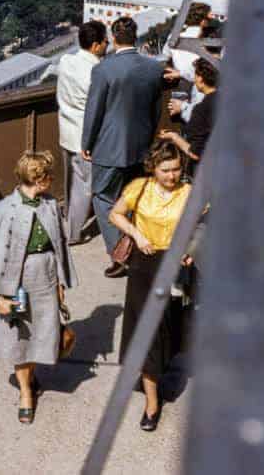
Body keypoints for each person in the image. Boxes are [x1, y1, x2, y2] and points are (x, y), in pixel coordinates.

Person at [0, 151, 77, 424]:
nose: (51, 181)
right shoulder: (2, 211)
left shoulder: (51, 205)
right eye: (48, 177)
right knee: (19, 340)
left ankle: (31, 376)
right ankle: (26, 392)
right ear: (39, 180)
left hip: (46, 274)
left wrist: (60, 284)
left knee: (44, 334)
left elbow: (59, 245)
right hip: (17, 281)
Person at [109, 140, 193, 432]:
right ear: (153, 169)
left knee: (170, 326)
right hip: (144, 266)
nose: (172, 176)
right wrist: (136, 234)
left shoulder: (189, 192)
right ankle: (152, 403)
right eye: (165, 170)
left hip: (176, 266)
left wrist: (192, 248)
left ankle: (159, 369)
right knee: (148, 333)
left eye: (176, 169)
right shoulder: (139, 188)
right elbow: (115, 214)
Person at [82, 16, 165, 277]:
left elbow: (94, 110)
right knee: (134, 199)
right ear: (135, 37)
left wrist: (87, 142)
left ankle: (120, 254)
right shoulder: (153, 68)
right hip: (141, 144)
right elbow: (156, 110)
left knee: (104, 197)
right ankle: (141, 246)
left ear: (114, 38)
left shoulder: (104, 69)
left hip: (109, 146)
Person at [56, 21, 108, 245]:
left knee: (71, 186)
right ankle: (74, 234)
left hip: (67, 131)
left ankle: (70, 221)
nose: (108, 44)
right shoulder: (97, 73)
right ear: (96, 45)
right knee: (83, 189)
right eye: (105, 41)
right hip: (85, 138)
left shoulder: (66, 61)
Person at [159, 57, 219, 178]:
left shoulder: (202, 110)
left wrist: (173, 136)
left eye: (195, 75)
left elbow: (195, 153)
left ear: (201, 79)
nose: (194, 79)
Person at [162, 2, 211, 122]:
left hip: (180, 86)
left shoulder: (173, 37)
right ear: (203, 21)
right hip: (200, 87)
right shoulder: (206, 42)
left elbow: (165, 55)